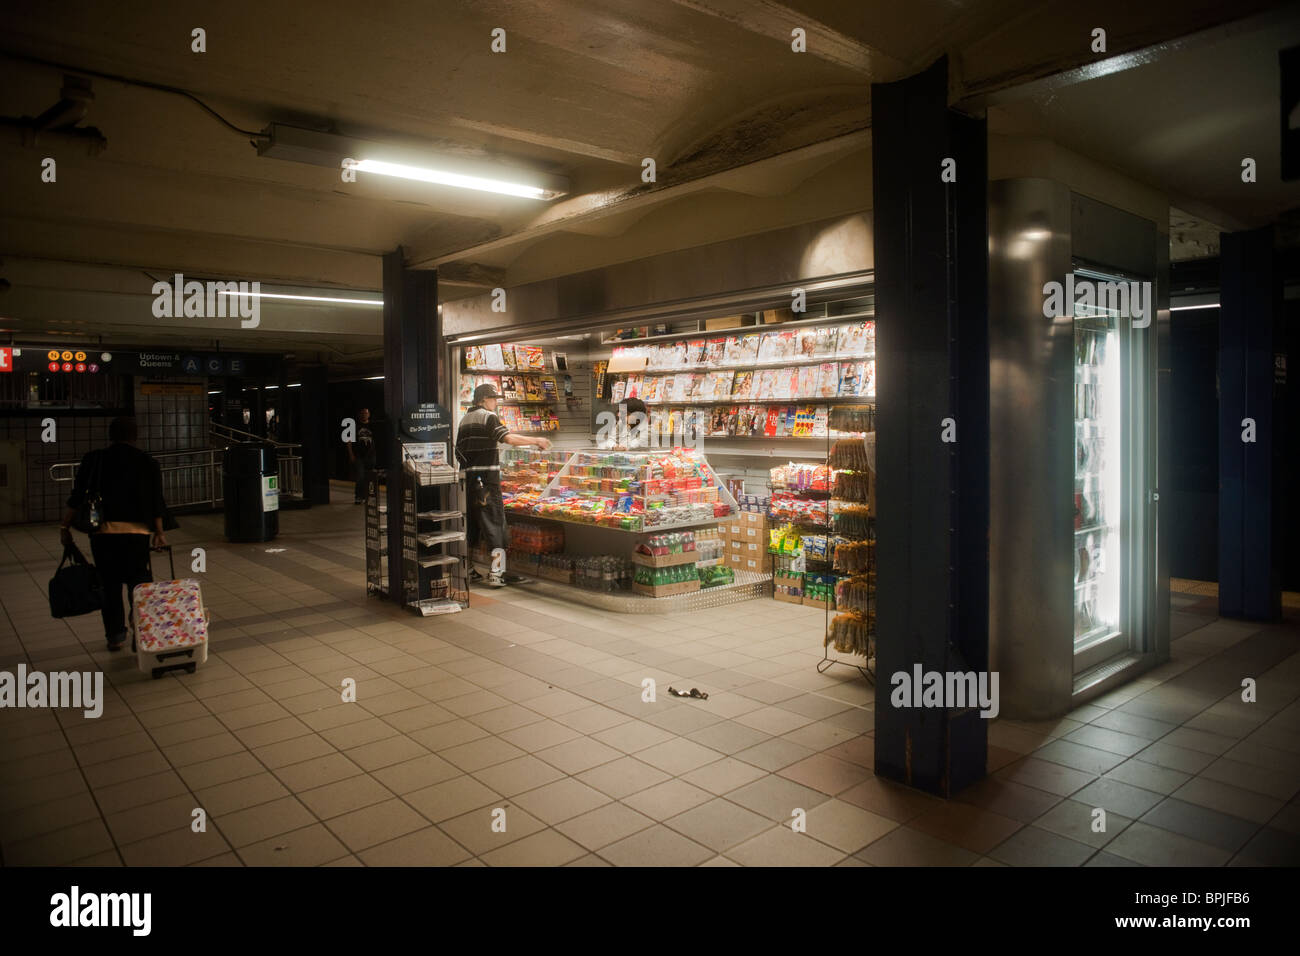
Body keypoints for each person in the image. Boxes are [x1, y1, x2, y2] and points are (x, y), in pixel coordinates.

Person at [59, 416, 169, 653]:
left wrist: (64, 527)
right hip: (136, 534)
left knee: (109, 585)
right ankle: (139, 629)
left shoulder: (94, 460)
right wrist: (159, 533)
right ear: (135, 436)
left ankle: (115, 636)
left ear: (111, 436)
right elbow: (156, 501)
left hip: (103, 534)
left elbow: (77, 496)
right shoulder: (148, 462)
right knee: (139, 585)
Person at [455, 383, 551, 587]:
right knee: (495, 524)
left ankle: (469, 569)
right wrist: (537, 441)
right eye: (493, 398)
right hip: (486, 481)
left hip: (468, 480)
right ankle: (497, 573)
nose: (496, 402)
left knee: (472, 525)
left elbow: (458, 452)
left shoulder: (464, 420)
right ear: (483, 400)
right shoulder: (487, 416)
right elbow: (507, 438)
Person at [347, 407, 377, 503]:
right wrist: (351, 454)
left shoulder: (373, 426)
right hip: (359, 456)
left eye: (366, 413)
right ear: (360, 414)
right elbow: (349, 441)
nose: (365, 415)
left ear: (369, 415)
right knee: (360, 477)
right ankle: (358, 497)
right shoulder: (354, 426)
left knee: (370, 477)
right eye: (363, 413)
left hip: (371, 456)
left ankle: (368, 496)